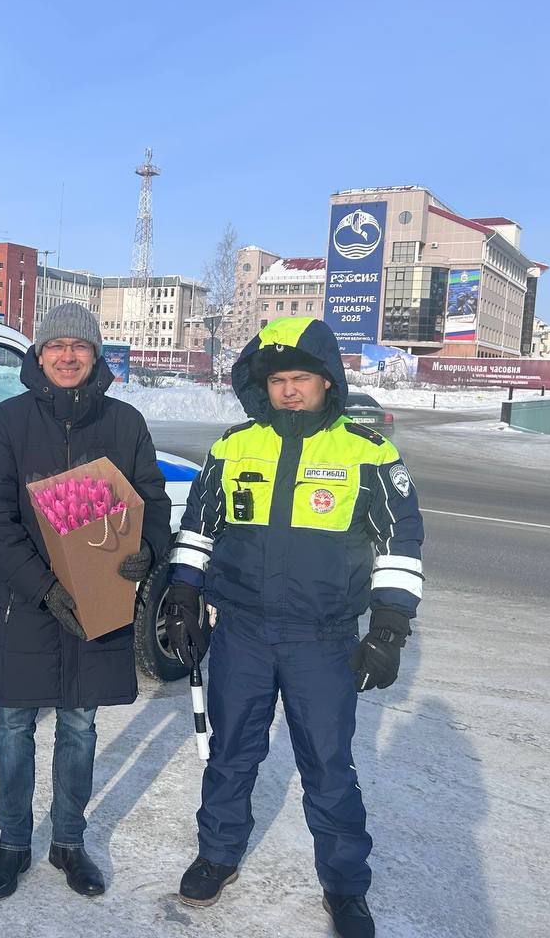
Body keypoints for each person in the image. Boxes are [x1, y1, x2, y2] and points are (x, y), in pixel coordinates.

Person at [163, 317, 424, 938]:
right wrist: (183, 596)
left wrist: (388, 628)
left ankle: (345, 885)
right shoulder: (232, 447)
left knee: (329, 766)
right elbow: (199, 529)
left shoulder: (368, 452)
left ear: (326, 381)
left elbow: (400, 543)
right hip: (243, 633)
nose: (288, 390)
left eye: (300, 378)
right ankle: (218, 854)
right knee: (230, 754)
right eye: (278, 379)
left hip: (323, 639)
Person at [0, 302, 171, 900]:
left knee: (80, 726)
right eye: (55, 345)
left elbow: (152, 503)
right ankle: (12, 843)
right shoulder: (7, 422)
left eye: (79, 346)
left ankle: (68, 841)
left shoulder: (125, 423)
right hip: (25, 605)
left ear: (96, 354)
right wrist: (44, 587)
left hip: (97, 606)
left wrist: (148, 550)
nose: (67, 356)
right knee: (14, 726)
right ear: (38, 355)